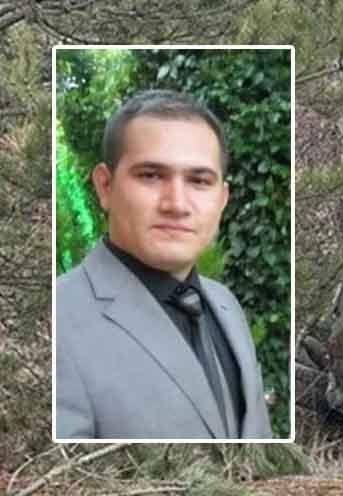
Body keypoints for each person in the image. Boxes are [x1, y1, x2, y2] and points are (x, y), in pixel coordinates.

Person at [55, 90, 272, 440]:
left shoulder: (225, 305)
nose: (177, 204)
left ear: (222, 199)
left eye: (199, 181)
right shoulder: (59, 319)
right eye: (152, 175)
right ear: (105, 187)